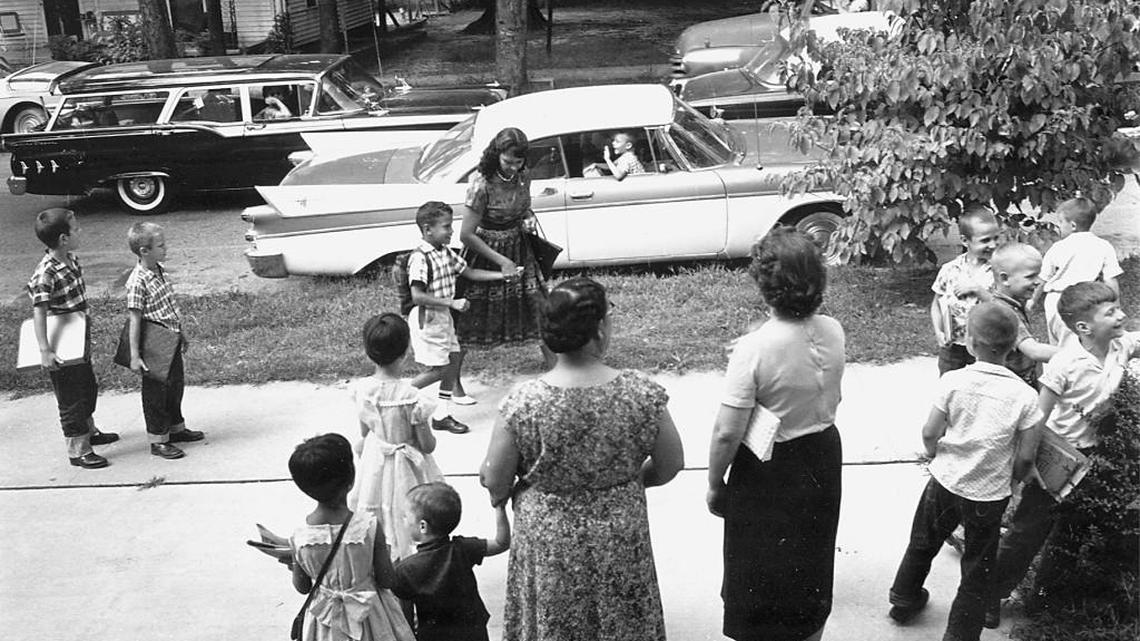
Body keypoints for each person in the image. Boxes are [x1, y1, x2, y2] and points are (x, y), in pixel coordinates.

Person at [481, 277, 684, 641]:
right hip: (621, 534)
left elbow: (495, 478)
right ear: (600, 328)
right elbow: (671, 464)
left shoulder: (524, 402)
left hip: (547, 541)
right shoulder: (639, 392)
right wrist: (629, 480)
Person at [706, 228, 844, 641]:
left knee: (761, 566)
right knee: (810, 556)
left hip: (771, 466)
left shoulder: (755, 348)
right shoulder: (833, 329)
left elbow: (726, 433)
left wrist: (715, 483)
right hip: (821, 453)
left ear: (763, 284)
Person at [987, 281, 1140, 628]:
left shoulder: (1121, 344)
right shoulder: (1066, 362)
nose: (1122, 315)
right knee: (1028, 531)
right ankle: (990, 594)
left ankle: (1046, 595)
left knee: (1071, 529)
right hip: (1057, 457)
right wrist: (1026, 462)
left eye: (1119, 308)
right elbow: (1038, 416)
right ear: (1084, 328)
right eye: (1112, 312)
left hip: (1094, 456)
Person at [887, 302, 1042, 641]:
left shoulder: (954, 381)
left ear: (970, 343)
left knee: (922, 541)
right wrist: (1013, 480)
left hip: (945, 481)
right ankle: (959, 635)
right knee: (977, 568)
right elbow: (1027, 458)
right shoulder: (1026, 396)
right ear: (1015, 344)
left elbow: (930, 432)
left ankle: (903, 598)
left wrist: (932, 454)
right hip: (988, 494)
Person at [288, 433, 416, 641]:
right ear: (351, 478)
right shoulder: (368, 527)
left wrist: (298, 564)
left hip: (325, 622)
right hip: (371, 616)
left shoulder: (300, 538)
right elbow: (386, 579)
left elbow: (302, 587)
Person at [407, 201, 518, 434]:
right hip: (428, 318)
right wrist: (452, 302)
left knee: (454, 359)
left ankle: (441, 415)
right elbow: (417, 296)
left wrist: (503, 275)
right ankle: (399, 392)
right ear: (428, 229)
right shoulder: (420, 258)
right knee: (439, 369)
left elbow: (469, 272)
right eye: (446, 227)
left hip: (443, 317)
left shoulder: (445, 252)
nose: (451, 231)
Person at [348, 313, 446, 561]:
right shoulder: (412, 396)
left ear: (369, 352)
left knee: (379, 515)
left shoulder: (362, 390)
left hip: (376, 462)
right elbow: (427, 445)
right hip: (407, 467)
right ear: (406, 351)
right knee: (410, 516)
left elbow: (363, 432)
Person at [26, 208, 119, 469]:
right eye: (76, 229)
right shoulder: (46, 272)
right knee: (70, 397)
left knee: (87, 387)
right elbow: (39, 312)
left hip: (78, 336)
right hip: (61, 344)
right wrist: (45, 350)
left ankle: (89, 431)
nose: (80, 232)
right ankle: (78, 450)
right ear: (63, 238)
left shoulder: (72, 259)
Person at [456, 127, 553, 366]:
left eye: (517, 162)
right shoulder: (481, 184)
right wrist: (502, 261)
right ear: (496, 154)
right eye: (507, 161)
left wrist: (527, 217)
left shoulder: (524, 175)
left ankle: (558, 372)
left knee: (540, 311)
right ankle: (453, 384)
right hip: (486, 253)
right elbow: (466, 235)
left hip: (519, 250)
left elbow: (522, 207)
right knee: (468, 321)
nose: (513, 167)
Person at [391, 482, 510, 641]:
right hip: (473, 633)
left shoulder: (406, 569)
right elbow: (502, 543)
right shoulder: (464, 548)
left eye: (405, 516)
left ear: (423, 526)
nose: (403, 520)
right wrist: (499, 508)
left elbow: (406, 620)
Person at [126, 222, 204, 460]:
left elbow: (171, 306)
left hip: (170, 338)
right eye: (160, 245)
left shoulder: (160, 271)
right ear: (144, 251)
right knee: (156, 393)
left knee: (174, 386)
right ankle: (158, 439)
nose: (165, 248)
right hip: (153, 343)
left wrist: (182, 334)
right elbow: (135, 319)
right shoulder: (137, 281)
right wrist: (135, 355)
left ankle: (176, 428)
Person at [1032, 197, 1123, 347]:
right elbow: (1111, 279)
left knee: (1057, 343)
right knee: (1085, 343)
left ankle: (1056, 367)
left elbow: (1042, 279)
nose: (1059, 227)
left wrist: (1032, 301)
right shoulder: (1103, 246)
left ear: (1072, 225)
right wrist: (1115, 307)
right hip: (1086, 301)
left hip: (1056, 301)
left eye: (1061, 222)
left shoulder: (1058, 247)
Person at [931, 205, 999, 375]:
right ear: (964, 240)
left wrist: (977, 290)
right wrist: (938, 331)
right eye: (985, 240)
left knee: (984, 384)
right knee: (949, 383)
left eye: (996, 239)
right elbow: (936, 304)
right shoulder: (950, 269)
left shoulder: (999, 271)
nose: (993, 245)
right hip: (953, 345)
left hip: (987, 345)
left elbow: (1003, 307)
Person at [989, 243, 1058, 388]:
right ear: (1005, 279)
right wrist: (1081, 356)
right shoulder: (1005, 312)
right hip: (1012, 388)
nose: (1038, 281)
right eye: (1031, 276)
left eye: (1038, 274)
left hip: (1022, 382)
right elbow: (1034, 351)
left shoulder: (1013, 303)